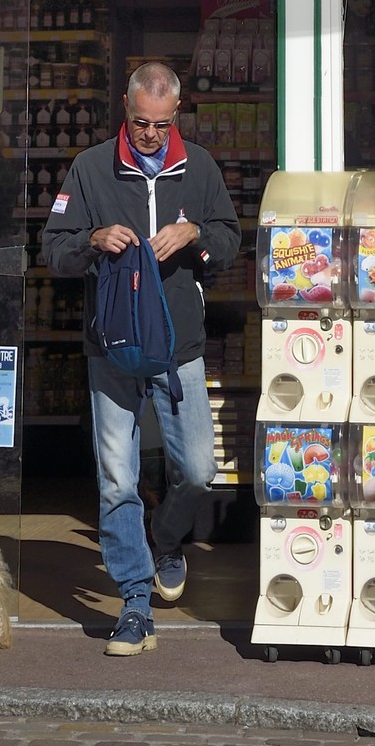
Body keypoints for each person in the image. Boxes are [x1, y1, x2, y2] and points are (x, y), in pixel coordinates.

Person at [40, 60, 240, 657]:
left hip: (179, 346)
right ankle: (133, 602)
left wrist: (196, 234)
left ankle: (166, 538)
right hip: (112, 345)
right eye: (139, 123)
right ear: (123, 110)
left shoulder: (198, 166)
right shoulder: (91, 167)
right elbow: (52, 251)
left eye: (159, 124)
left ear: (176, 114)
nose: (149, 134)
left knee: (200, 470)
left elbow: (231, 241)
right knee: (115, 478)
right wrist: (92, 239)